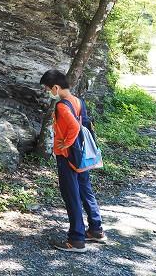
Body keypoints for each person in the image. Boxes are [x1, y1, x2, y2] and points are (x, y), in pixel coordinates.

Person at [40, 69, 108, 252]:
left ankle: (76, 239)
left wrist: (66, 144)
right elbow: (84, 124)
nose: (49, 93)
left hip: (68, 157)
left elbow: (75, 126)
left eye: (48, 89)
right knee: (86, 191)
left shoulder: (62, 105)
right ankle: (96, 230)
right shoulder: (78, 101)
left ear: (56, 87)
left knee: (71, 195)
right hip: (82, 157)